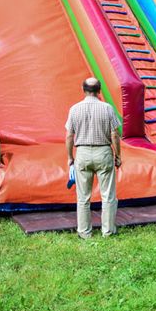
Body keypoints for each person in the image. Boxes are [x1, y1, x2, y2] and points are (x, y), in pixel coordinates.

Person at [65, 77, 122, 239]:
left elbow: (69, 136)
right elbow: (114, 135)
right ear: (99, 91)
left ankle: (84, 232)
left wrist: (70, 157)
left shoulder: (74, 109)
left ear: (83, 90)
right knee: (108, 196)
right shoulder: (107, 108)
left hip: (82, 153)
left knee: (83, 197)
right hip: (103, 152)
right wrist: (118, 155)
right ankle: (108, 231)